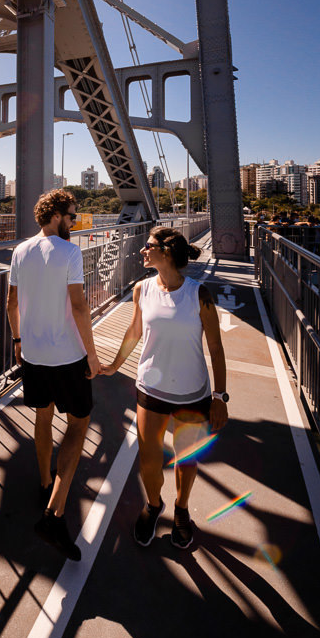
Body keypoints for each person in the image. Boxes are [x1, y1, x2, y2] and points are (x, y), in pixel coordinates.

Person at [102, 226, 228, 549]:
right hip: (150, 389)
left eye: (149, 246)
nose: (143, 250)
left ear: (167, 252)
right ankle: (154, 504)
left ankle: (182, 510)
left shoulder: (199, 295)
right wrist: (115, 366)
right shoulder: (141, 289)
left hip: (192, 392)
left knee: (186, 459)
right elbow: (133, 333)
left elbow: (215, 347)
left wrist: (219, 397)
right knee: (148, 460)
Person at [7, 189, 102, 561]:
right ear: (58, 215)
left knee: (42, 415)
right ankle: (55, 512)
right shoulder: (70, 252)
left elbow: (12, 303)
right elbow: (79, 306)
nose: (74, 222)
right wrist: (92, 356)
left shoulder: (20, 250)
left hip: (33, 353)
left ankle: (46, 481)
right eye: (72, 216)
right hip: (67, 355)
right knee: (79, 425)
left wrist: (18, 340)